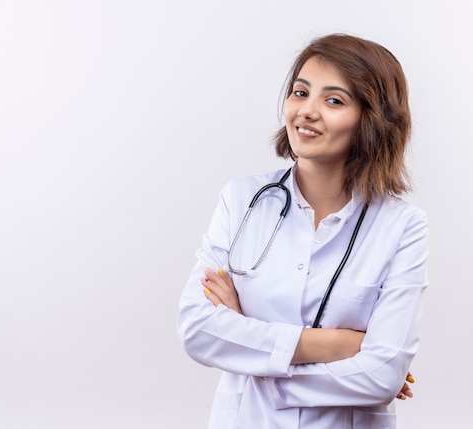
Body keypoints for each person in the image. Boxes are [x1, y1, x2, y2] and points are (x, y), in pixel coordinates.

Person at [177, 33, 429, 429]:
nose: (306, 111)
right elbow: (197, 328)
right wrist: (340, 347)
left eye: (333, 100)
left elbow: (382, 375)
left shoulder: (401, 226)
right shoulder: (241, 200)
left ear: (373, 119)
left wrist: (255, 351)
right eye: (300, 92)